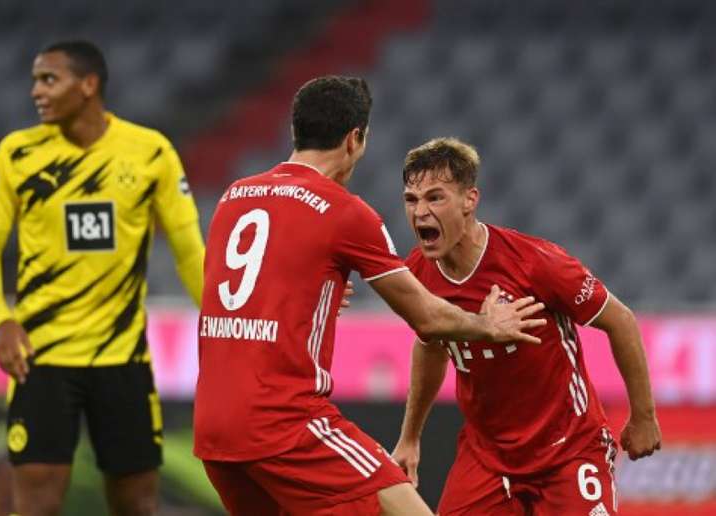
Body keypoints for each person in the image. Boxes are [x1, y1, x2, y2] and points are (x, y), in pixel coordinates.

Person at [192, 76, 546, 516]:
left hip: (214, 429)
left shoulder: (234, 196)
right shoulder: (344, 211)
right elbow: (427, 320)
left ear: (295, 132)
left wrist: (308, 296)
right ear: (355, 138)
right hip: (286, 424)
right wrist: (486, 326)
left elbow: (238, 292)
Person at [0, 40, 206, 516]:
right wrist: (1, 320)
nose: (36, 90)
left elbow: (189, 252)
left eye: (48, 79)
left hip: (123, 359)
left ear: (88, 84)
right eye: (35, 79)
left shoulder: (149, 153)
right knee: (35, 504)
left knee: (137, 504)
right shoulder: (17, 154)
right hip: (41, 359)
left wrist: (223, 323)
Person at [391, 137, 662, 515]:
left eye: (435, 198)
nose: (420, 212)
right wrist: (410, 437)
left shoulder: (535, 263)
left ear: (470, 200)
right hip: (487, 458)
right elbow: (430, 344)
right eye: (411, 200)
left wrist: (644, 416)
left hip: (569, 449)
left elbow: (621, 321)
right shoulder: (418, 275)